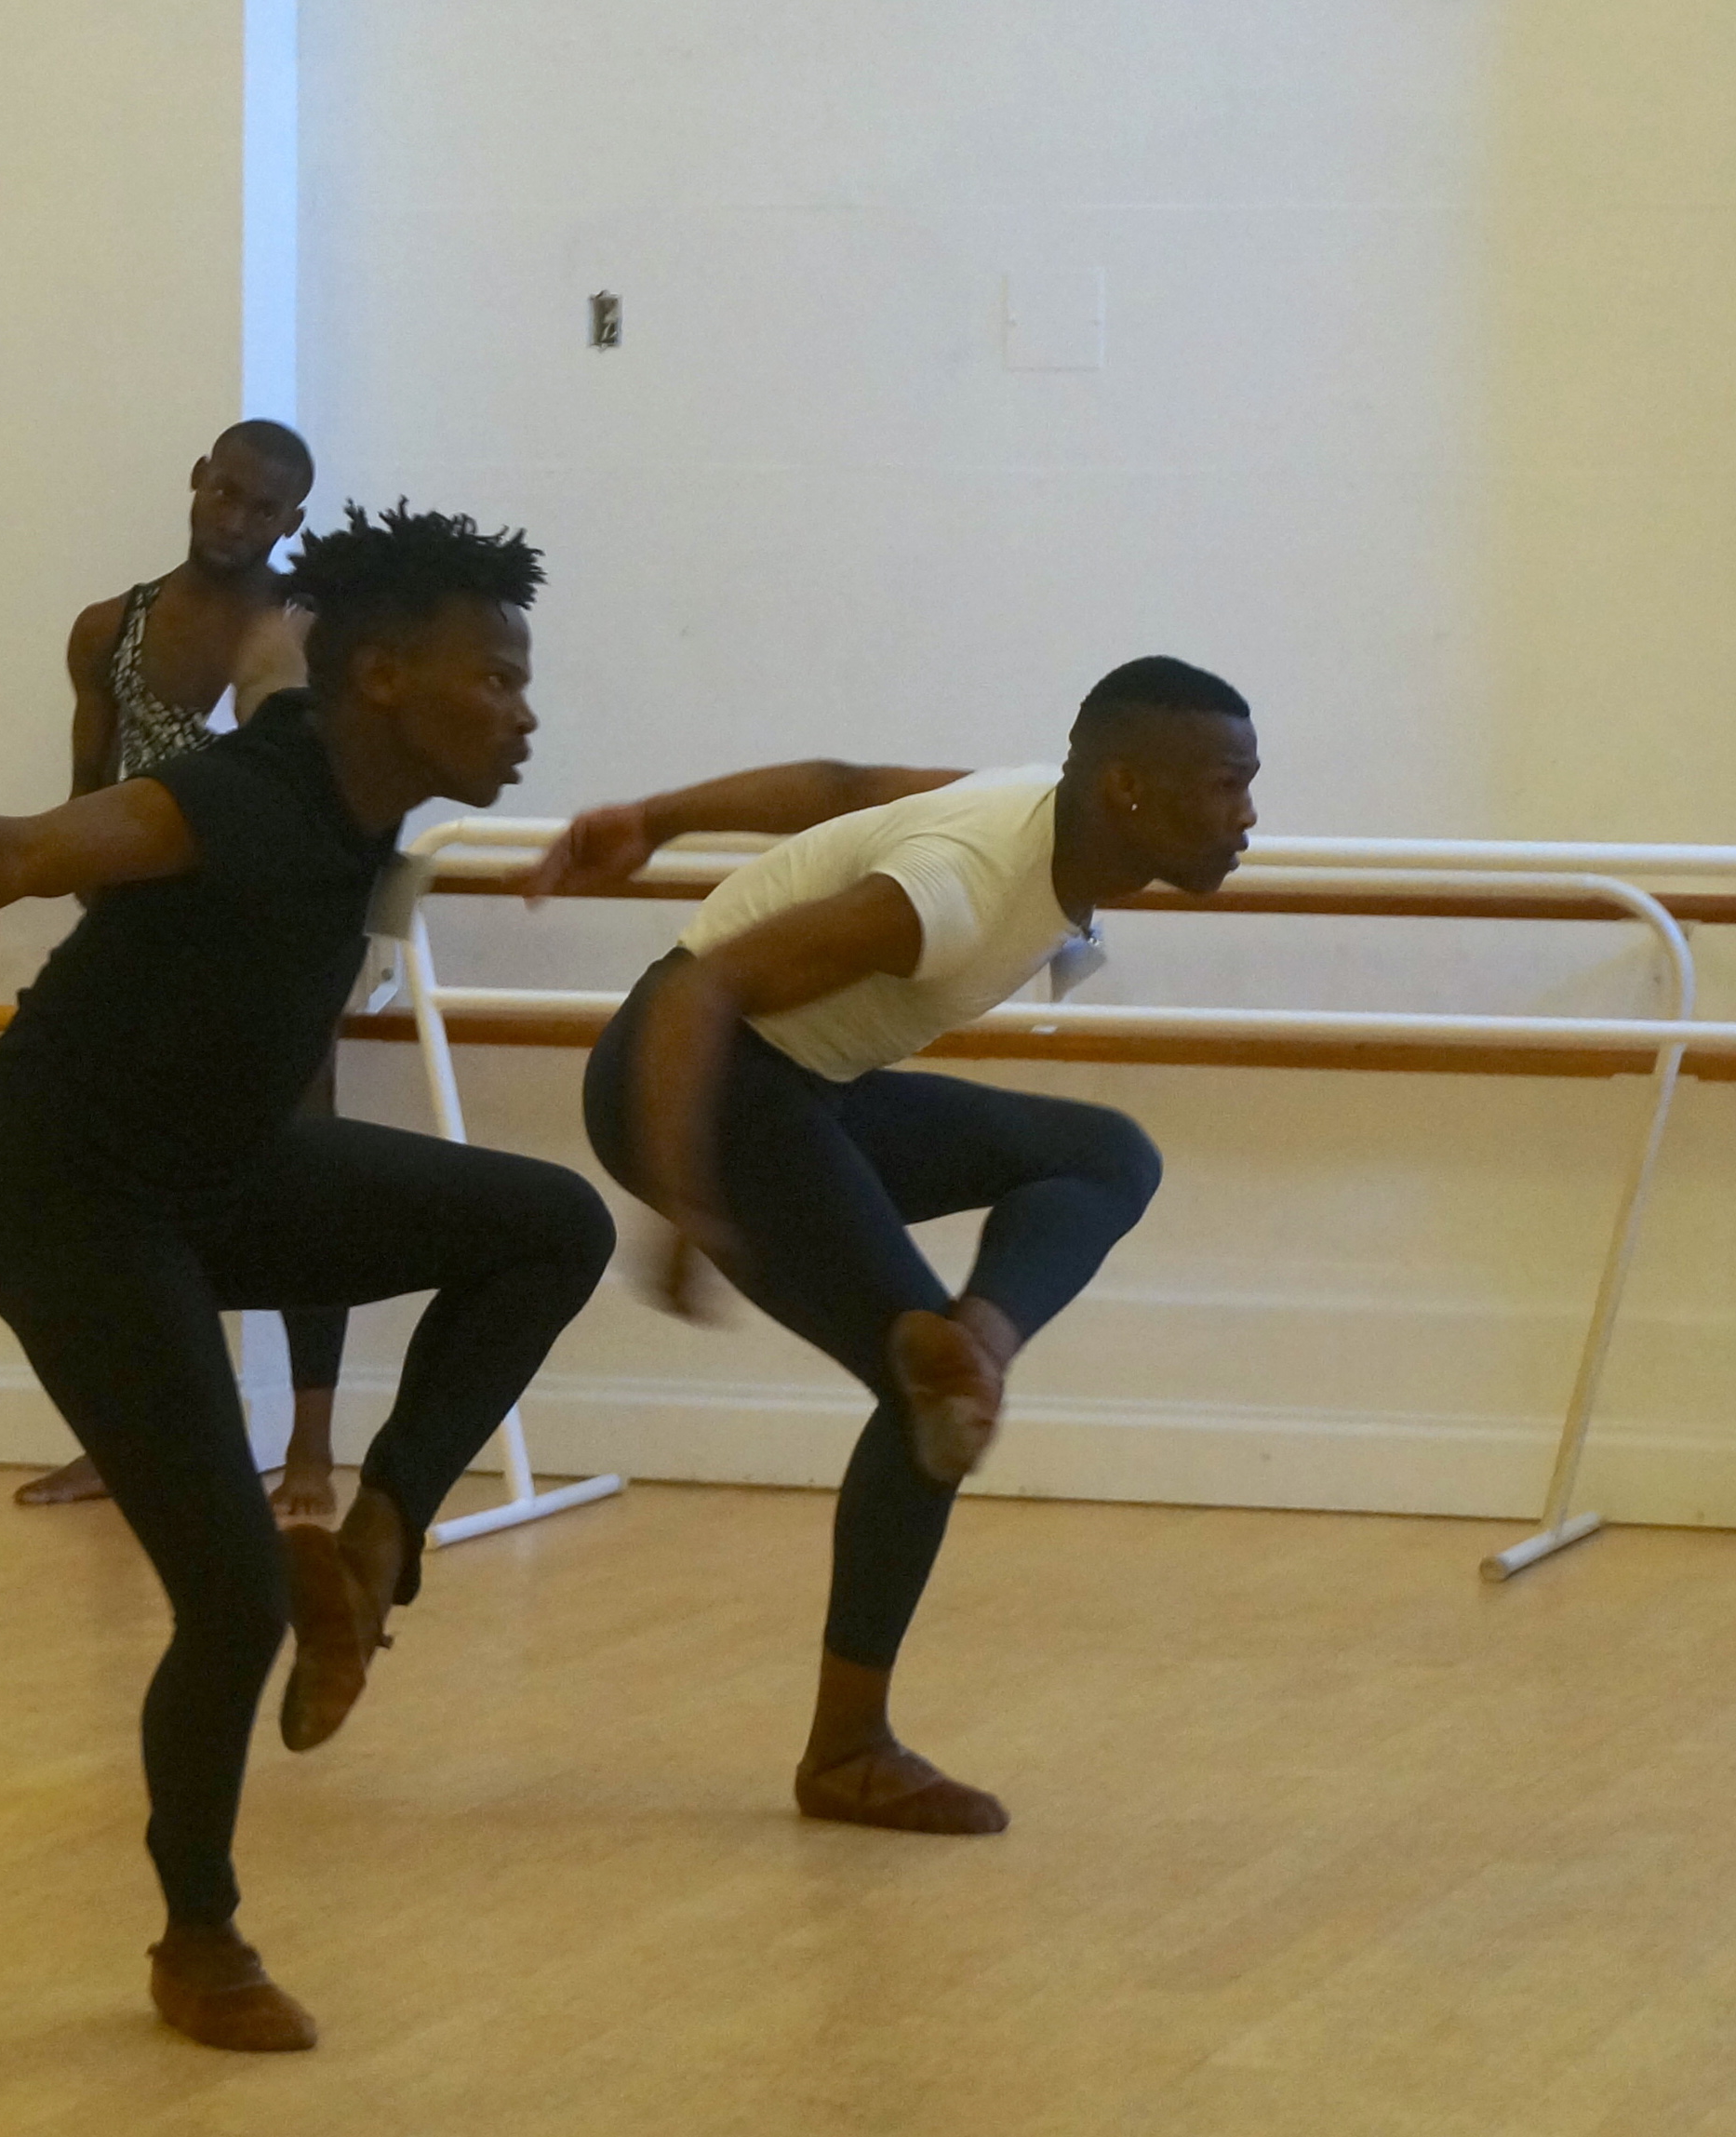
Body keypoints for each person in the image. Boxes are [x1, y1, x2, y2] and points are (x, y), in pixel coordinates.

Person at [0, 503, 616, 2055]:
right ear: (385, 677)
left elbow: (285, 653)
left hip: (220, 1174)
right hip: (67, 1203)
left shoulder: (364, 809)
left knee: (550, 1224)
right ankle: (199, 1938)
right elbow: (22, 854)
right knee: (229, 1593)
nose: (524, 712)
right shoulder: (232, 797)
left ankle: (373, 1546)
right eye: (495, 678)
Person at [529, 657, 1257, 1840]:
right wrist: (685, 1199)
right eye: (1227, 785)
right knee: (920, 1403)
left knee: (1103, 1155)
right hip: (700, 1080)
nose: (1247, 816)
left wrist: (655, 818)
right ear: (1127, 789)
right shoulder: (953, 890)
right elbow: (703, 995)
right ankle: (848, 1753)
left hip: (804, 1086)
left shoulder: (1034, 808)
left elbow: (843, 784)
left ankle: (977, 1343)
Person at [20, 416, 352, 1519]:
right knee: (118, 1199)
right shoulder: (109, 630)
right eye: (227, 492)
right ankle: (134, 1443)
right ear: (198, 479)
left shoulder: (314, 633)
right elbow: (85, 799)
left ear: (293, 520)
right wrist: (125, 931)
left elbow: (355, 799)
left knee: (304, 1177)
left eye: (264, 507)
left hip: (281, 953)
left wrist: (333, 937)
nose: (237, 519)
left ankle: (312, 1451)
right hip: (149, 950)